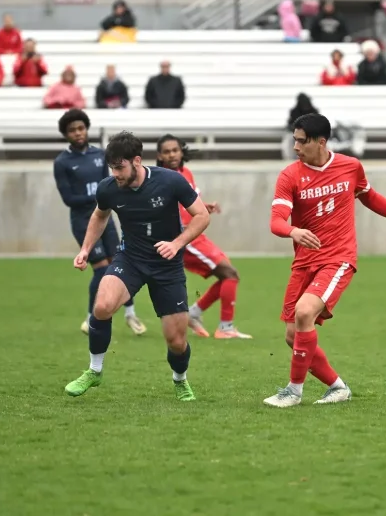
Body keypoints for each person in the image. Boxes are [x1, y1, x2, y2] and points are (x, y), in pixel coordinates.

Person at [264, 113, 386, 407]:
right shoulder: (289, 176)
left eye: (301, 141)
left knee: (305, 312)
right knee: (293, 334)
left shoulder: (350, 167)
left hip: (338, 257)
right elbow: (276, 222)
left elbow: (369, 196)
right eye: (294, 140)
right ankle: (337, 387)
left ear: (321, 142)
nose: (295, 147)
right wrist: (294, 230)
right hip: (305, 261)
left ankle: (293, 392)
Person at [65, 132, 210, 401]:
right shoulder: (108, 188)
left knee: (176, 342)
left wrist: (177, 243)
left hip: (167, 266)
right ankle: (94, 371)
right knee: (102, 306)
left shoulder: (170, 181)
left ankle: (180, 380)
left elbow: (202, 215)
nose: (116, 174)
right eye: (112, 168)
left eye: (120, 167)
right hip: (130, 259)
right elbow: (100, 215)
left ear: (137, 161)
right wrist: (85, 249)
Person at [53, 109, 146, 337]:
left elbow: (112, 183)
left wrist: (108, 199)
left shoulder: (100, 155)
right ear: (66, 134)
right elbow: (68, 199)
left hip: (107, 217)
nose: (78, 133)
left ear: (86, 128)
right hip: (83, 221)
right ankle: (90, 318)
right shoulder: (62, 162)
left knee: (120, 264)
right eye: (72, 130)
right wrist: (100, 196)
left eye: (81, 128)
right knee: (101, 269)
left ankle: (130, 313)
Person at [156, 135, 251, 340]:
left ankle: (195, 313)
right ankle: (225, 328)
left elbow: (187, 201)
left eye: (175, 150)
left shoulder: (186, 173)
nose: (172, 154)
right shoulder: (160, 178)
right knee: (229, 274)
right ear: (159, 156)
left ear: (181, 151)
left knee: (228, 276)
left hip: (196, 233)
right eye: (167, 151)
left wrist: (203, 206)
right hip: (185, 239)